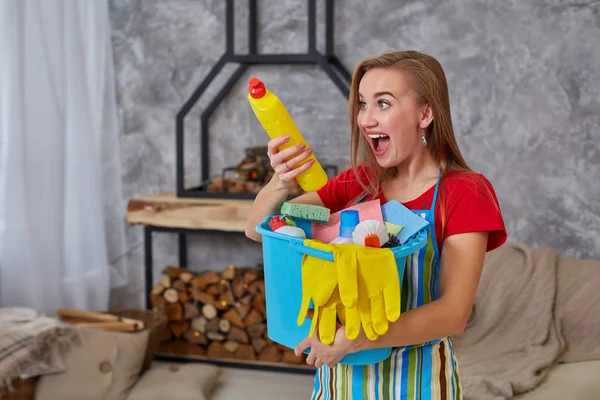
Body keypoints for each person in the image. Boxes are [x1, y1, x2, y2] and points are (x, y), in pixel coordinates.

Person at [245, 50, 507, 400]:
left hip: (417, 385)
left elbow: (453, 314)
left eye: (383, 104)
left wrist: (353, 339)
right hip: (338, 385)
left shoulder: (463, 192)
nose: (365, 119)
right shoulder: (361, 182)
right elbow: (264, 228)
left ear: (425, 114)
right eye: (362, 104)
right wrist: (281, 181)